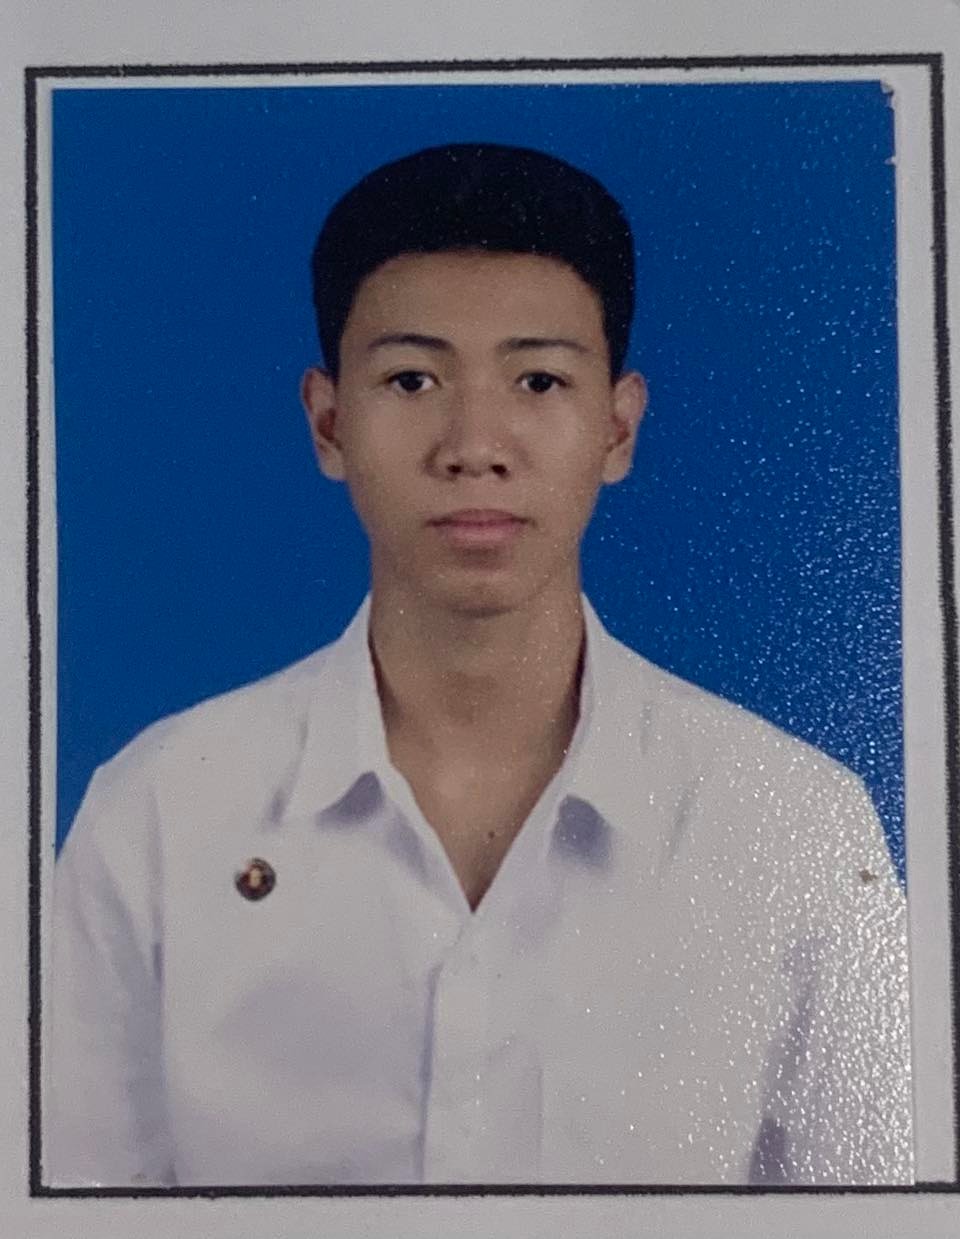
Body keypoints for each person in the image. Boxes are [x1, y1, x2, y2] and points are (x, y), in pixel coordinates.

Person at [47, 143, 913, 1187]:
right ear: (328, 422)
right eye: (412, 379)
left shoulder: (796, 829)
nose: (474, 444)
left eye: (538, 379)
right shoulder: (157, 818)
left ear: (617, 426)